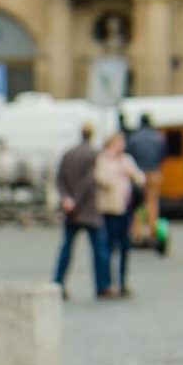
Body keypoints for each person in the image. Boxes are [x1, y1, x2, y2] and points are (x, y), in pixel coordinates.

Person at [52, 124, 113, 300]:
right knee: (99, 250)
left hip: (71, 211)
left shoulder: (68, 153)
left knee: (66, 249)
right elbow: (88, 181)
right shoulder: (93, 154)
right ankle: (102, 286)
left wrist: (66, 199)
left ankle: (58, 283)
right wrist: (76, 201)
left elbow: (59, 178)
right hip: (88, 210)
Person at [94, 132, 144, 297]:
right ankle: (106, 283)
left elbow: (140, 178)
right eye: (118, 143)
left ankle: (122, 282)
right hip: (110, 209)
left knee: (125, 247)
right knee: (108, 247)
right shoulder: (103, 159)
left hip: (126, 208)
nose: (121, 146)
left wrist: (131, 174)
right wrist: (116, 170)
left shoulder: (127, 159)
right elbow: (101, 179)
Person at [125, 114, 166, 241]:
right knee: (152, 202)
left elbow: (129, 155)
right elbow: (163, 154)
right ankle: (153, 232)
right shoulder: (158, 137)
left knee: (136, 205)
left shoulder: (134, 137)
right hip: (154, 172)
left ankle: (136, 233)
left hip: (138, 173)